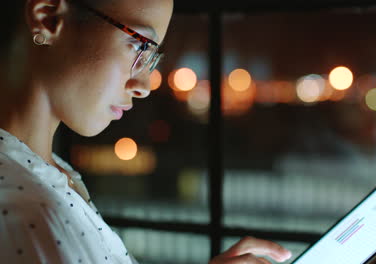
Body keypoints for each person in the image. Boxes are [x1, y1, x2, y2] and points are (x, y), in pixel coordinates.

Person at [0, 0, 292, 263]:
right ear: (49, 17)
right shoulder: (26, 210)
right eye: (140, 46)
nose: (145, 85)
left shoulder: (49, 175)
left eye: (153, 58)